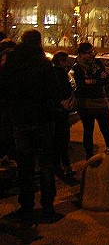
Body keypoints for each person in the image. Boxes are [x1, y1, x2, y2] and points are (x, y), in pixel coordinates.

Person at [0, 29, 61, 220]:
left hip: (20, 119)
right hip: (43, 120)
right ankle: (47, 206)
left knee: (24, 165)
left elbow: (4, 89)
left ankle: (26, 206)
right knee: (45, 164)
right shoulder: (44, 64)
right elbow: (55, 91)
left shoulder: (12, 63)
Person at [71, 42, 109, 160]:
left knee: (106, 129)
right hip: (85, 103)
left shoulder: (98, 64)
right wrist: (94, 81)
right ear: (81, 54)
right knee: (88, 130)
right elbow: (81, 86)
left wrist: (93, 82)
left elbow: (106, 79)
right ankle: (89, 156)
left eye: (92, 52)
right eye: (88, 53)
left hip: (100, 101)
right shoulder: (77, 67)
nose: (91, 55)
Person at [51, 51, 76, 178]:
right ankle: (65, 165)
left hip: (54, 109)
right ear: (61, 61)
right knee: (62, 139)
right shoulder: (60, 74)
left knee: (56, 138)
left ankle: (58, 164)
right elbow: (65, 90)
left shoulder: (51, 72)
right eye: (66, 61)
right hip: (61, 109)